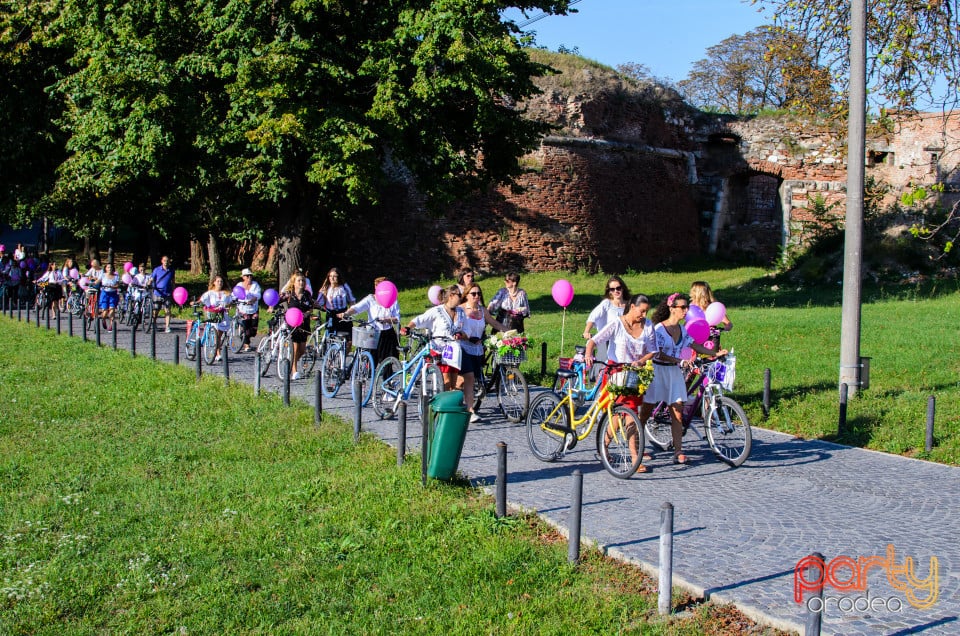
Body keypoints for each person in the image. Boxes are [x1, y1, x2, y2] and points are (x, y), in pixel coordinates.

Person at [638, 293, 726, 466]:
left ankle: (678, 451)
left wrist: (714, 353)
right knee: (646, 410)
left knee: (677, 411)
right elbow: (658, 353)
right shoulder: (659, 330)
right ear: (672, 308)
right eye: (682, 307)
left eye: (687, 307)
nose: (686, 311)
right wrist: (679, 360)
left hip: (674, 373)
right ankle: (636, 442)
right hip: (658, 371)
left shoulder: (682, 329)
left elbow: (694, 344)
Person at [584, 293, 656, 472]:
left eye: (646, 312)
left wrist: (641, 361)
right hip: (616, 373)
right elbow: (594, 340)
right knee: (629, 413)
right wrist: (588, 354)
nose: (644, 315)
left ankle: (605, 445)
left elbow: (653, 351)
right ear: (632, 307)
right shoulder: (617, 323)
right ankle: (634, 458)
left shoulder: (648, 326)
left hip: (635, 374)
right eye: (641, 311)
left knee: (620, 415)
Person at [405, 285, 466, 394]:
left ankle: (451, 407)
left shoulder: (461, 312)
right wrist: (408, 327)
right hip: (439, 350)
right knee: (446, 381)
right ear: (451, 296)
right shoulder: (437, 311)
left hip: (454, 350)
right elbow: (419, 319)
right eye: (459, 295)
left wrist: (460, 334)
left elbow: (464, 329)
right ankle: (445, 407)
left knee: (455, 383)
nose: (461, 297)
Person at [461, 284, 507, 423]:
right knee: (466, 378)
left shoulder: (482, 310)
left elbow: (495, 323)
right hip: (463, 347)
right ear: (467, 295)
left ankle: (467, 405)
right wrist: (467, 337)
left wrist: (511, 332)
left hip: (478, 348)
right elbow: (456, 328)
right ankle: (469, 410)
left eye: (478, 293)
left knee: (473, 379)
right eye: (473, 293)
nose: (476, 296)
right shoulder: (461, 309)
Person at [340, 276, 401, 366]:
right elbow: (357, 308)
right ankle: (368, 376)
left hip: (388, 333)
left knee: (389, 360)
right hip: (373, 333)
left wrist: (387, 320)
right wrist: (347, 313)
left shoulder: (393, 299)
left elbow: (397, 319)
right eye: (377, 286)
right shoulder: (370, 299)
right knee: (372, 360)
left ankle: (388, 379)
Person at [583, 275, 631, 369]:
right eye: (612, 289)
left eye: (618, 288)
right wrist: (586, 331)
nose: (616, 291)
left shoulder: (629, 304)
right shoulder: (607, 303)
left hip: (623, 341)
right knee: (602, 368)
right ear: (609, 292)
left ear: (623, 288)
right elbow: (593, 317)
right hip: (607, 340)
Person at [280, 272, 313, 379]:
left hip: (304, 323)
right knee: (295, 348)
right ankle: (294, 371)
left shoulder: (307, 295)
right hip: (292, 324)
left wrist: (308, 313)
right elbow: (277, 300)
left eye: (303, 280)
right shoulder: (289, 294)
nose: (301, 282)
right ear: (294, 282)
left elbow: (311, 306)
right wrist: (272, 306)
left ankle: (290, 364)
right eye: (299, 280)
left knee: (302, 349)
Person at [689, 280, 733, 349]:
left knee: (711, 358)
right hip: (695, 339)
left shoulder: (714, 307)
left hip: (711, 340)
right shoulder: (691, 308)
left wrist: (721, 329)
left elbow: (729, 324)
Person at [199, 275, 232, 362]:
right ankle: (218, 353)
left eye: (221, 281)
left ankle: (217, 350)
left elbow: (229, 302)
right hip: (213, 315)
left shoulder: (226, 293)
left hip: (223, 316)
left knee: (220, 336)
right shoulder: (210, 293)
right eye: (218, 281)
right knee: (217, 334)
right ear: (214, 282)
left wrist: (229, 306)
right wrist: (196, 302)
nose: (220, 283)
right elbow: (202, 300)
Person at [319, 268, 355, 336]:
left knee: (346, 337)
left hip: (343, 314)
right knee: (330, 336)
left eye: (334, 276)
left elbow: (352, 301)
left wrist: (349, 313)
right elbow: (319, 303)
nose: (332, 278)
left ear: (338, 277)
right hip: (331, 315)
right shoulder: (326, 288)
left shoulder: (344, 287)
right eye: (330, 276)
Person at [235, 268, 262, 352]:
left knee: (253, 327)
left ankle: (245, 337)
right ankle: (246, 344)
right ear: (243, 277)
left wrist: (253, 300)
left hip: (253, 308)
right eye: (247, 275)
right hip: (243, 308)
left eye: (250, 275)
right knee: (246, 326)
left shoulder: (255, 284)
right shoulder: (239, 285)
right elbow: (235, 294)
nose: (249, 277)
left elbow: (258, 294)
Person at [150, 255, 175, 333]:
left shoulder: (171, 270)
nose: (166, 262)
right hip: (157, 293)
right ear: (162, 261)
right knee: (156, 310)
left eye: (167, 261)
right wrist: (149, 283)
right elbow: (152, 278)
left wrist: (174, 290)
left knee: (167, 310)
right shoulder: (157, 269)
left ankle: (167, 326)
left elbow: (173, 281)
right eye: (164, 260)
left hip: (167, 293)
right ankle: (154, 323)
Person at [97, 263, 121, 330]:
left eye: (111, 267)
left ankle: (111, 325)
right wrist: (90, 283)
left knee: (112, 309)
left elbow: (117, 285)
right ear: (105, 268)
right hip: (104, 294)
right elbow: (97, 281)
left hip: (113, 294)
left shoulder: (116, 276)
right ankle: (103, 320)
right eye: (108, 267)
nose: (109, 269)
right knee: (104, 312)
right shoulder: (103, 275)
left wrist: (113, 286)